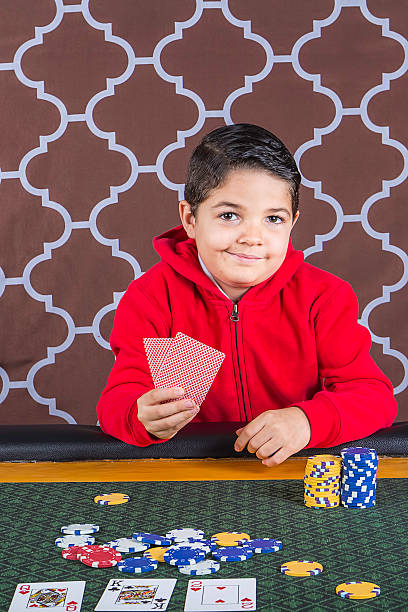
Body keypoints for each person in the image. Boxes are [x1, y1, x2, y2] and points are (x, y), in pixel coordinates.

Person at [96, 123, 398, 465]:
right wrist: (140, 417)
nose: (252, 237)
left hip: (290, 472)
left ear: (293, 222)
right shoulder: (151, 298)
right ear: (190, 219)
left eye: (273, 219)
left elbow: (373, 396)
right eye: (229, 215)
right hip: (192, 475)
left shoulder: (324, 297)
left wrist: (307, 421)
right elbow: (115, 404)